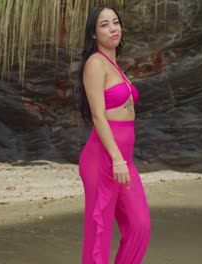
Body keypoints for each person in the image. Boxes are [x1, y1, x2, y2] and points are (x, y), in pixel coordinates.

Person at [77, 5, 151, 264]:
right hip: (103, 158)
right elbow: (98, 116)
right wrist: (117, 158)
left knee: (140, 226)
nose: (113, 28)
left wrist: (122, 160)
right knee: (99, 233)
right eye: (104, 24)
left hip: (123, 160)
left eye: (115, 22)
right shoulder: (95, 63)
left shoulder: (114, 65)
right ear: (94, 34)